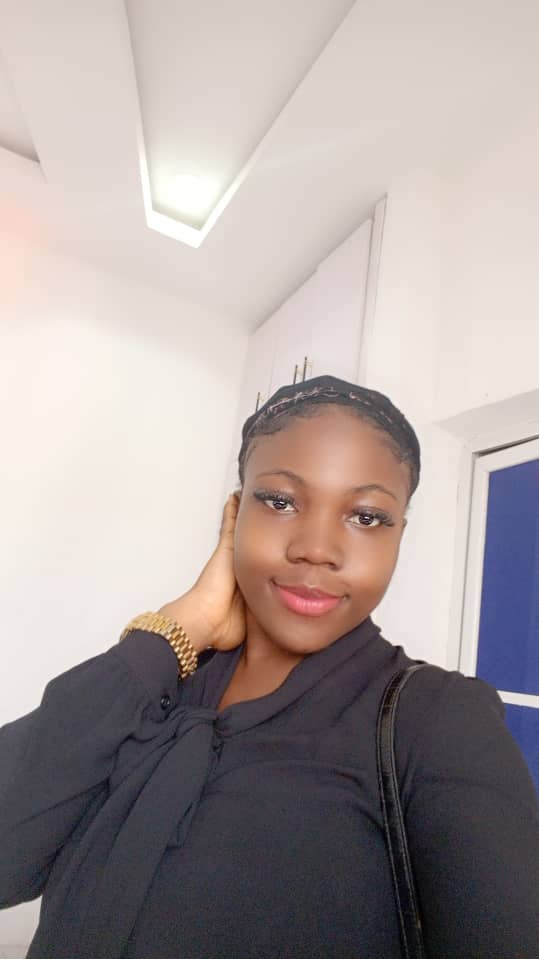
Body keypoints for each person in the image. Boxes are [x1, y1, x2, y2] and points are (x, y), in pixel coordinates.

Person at [1, 374, 538, 959]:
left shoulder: (439, 720)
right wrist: (174, 631)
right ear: (235, 516)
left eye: (366, 517)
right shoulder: (154, 686)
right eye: (280, 502)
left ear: (398, 537)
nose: (316, 548)